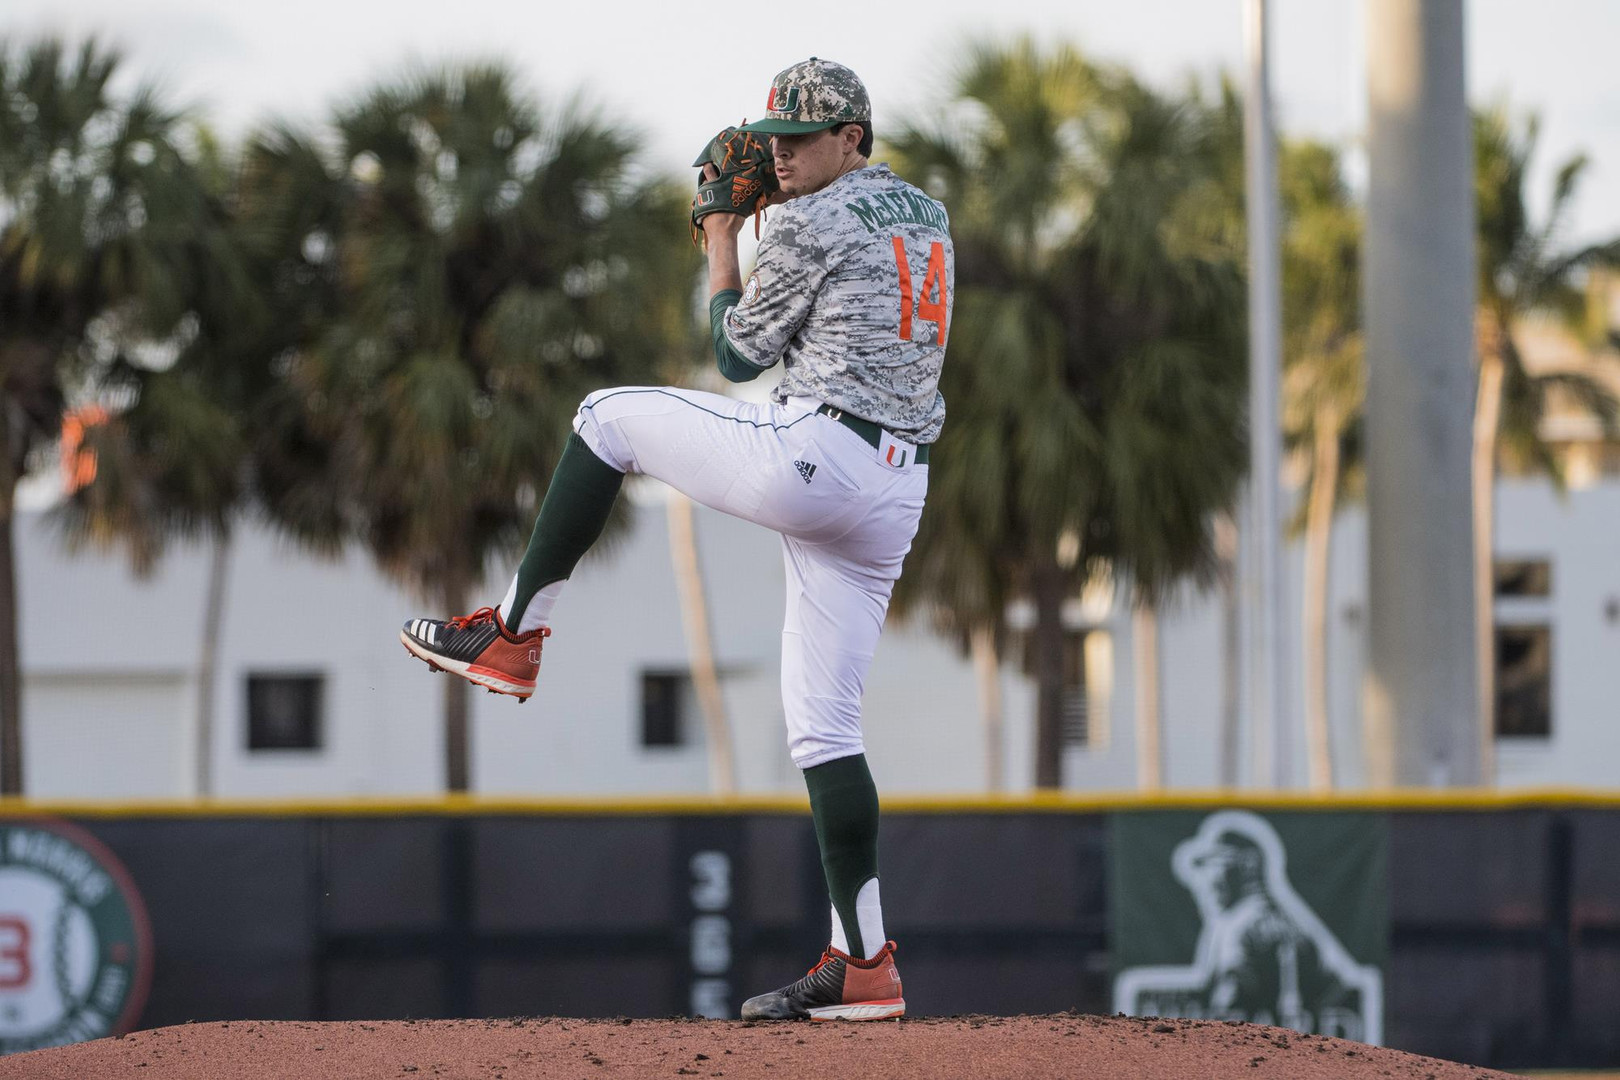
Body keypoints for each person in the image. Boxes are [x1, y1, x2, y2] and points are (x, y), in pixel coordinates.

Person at [400, 57, 953, 1022]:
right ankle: (864, 963)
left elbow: (738, 352)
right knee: (825, 727)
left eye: (803, 138)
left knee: (606, 416)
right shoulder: (928, 215)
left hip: (818, 457)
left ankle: (514, 633)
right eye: (774, 136)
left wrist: (721, 234)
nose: (778, 154)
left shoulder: (813, 218)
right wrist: (772, 214)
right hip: (894, 489)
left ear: (855, 138)